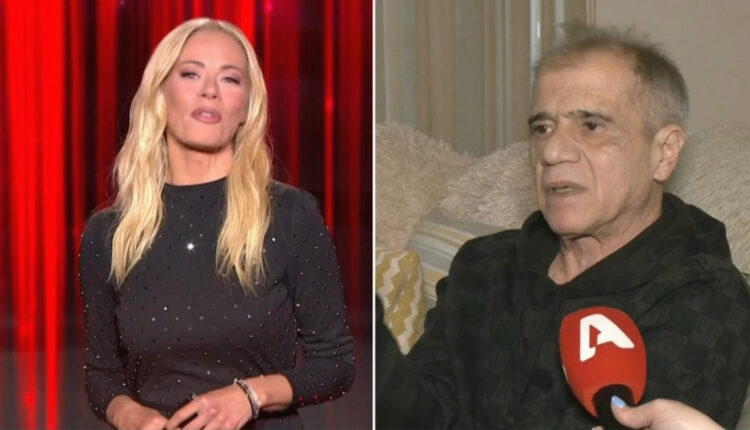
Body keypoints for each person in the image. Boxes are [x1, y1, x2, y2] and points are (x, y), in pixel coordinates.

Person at [376, 26, 750, 429]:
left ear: (663, 152)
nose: (552, 151)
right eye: (542, 127)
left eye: (591, 125)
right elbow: (421, 415)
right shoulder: (483, 264)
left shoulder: (705, 300)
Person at [79, 18, 354, 430]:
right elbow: (101, 374)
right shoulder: (108, 234)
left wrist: (250, 396)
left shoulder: (290, 215)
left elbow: (336, 364)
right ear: (159, 94)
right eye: (191, 74)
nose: (210, 90)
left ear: (247, 107)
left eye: (230, 79)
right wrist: (129, 414)